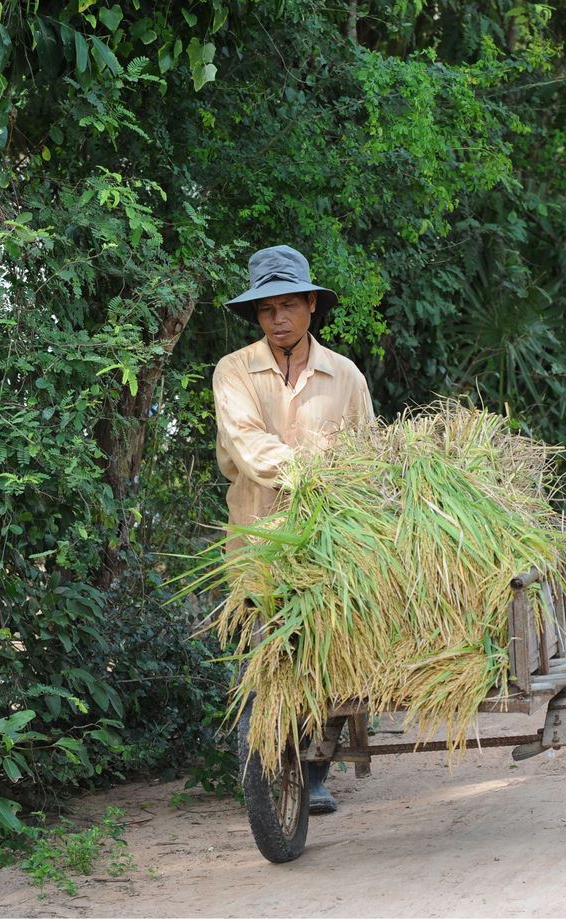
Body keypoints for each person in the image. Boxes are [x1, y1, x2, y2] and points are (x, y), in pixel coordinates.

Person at [213, 244, 375, 813]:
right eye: (266, 310)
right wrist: (310, 471)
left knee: (327, 650)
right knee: (267, 654)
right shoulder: (234, 371)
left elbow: (367, 458)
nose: (277, 319)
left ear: (311, 305)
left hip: (329, 542)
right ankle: (269, 764)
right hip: (258, 540)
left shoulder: (346, 376)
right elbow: (248, 447)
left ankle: (316, 771)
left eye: (288, 306)